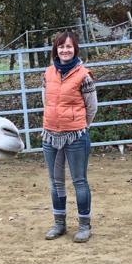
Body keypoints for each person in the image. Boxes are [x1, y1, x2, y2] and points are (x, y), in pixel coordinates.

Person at [41, 31, 98, 243]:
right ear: (56, 49)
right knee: (56, 182)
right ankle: (59, 223)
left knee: (79, 181)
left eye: (69, 47)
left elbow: (92, 107)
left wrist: (78, 125)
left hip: (75, 136)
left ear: (75, 49)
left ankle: (84, 225)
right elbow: (46, 101)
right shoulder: (47, 74)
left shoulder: (84, 75)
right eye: (61, 46)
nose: (65, 50)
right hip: (50, 135)